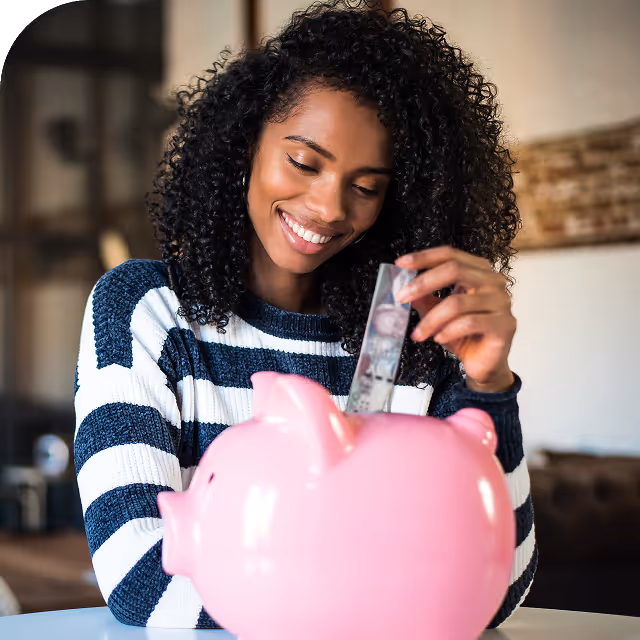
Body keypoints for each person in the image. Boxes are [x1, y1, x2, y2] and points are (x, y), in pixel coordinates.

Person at [74, 0, 537, 629]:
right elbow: (141, 578)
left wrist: (489, 388)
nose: (326, 206)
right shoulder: (147, 312)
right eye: (303, 161)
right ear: (245, 145)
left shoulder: (407, 333)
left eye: (366, 186)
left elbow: (493, 590)